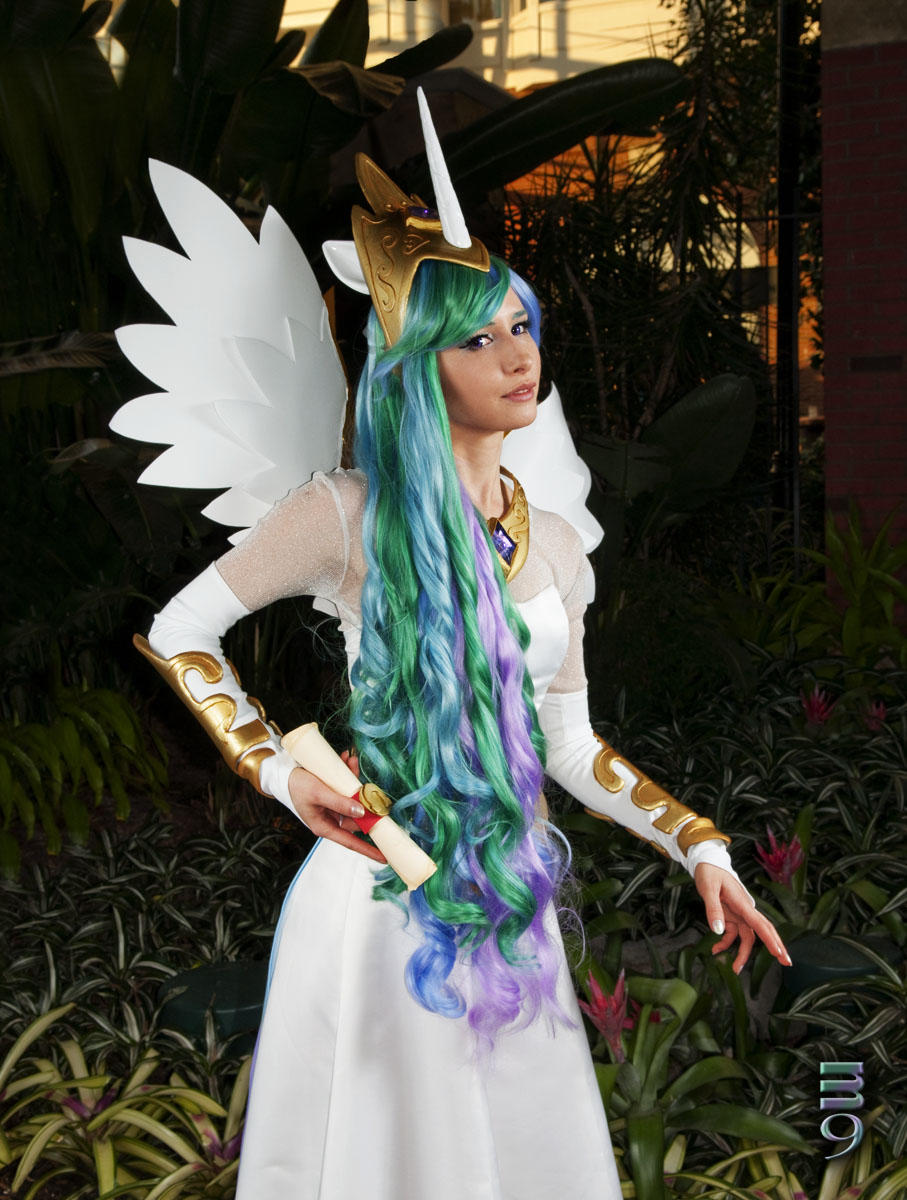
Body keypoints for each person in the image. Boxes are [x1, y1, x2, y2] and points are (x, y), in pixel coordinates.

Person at [131, 124, 790, 1200]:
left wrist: (698, 845)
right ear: (416, 368)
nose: (518, 357)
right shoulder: (344, 514)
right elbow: (178, 630)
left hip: (509, 908)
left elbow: (568, 744)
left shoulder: (557, 544)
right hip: (379, 902)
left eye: (521, 327)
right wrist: (279, 772)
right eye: (477, 340)